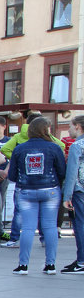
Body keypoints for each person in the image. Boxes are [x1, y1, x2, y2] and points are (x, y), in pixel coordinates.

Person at [10, 116, 67, 275]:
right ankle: (50, 265)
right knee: (50, 227)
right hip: (50, 190)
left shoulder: (19, 148)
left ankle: (23, 266)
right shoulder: (54, 148)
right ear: (46, 130)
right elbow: (62, 172)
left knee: (27, 228)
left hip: (26, 190)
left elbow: (12, 175)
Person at [61, 115, 84, 274]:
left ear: (77, 126)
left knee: (80, 225)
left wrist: (66, 196)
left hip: (79, 190)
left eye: (70, 126)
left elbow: (72, 173)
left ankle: (82, 261)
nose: (69, 129)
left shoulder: (77, 146)